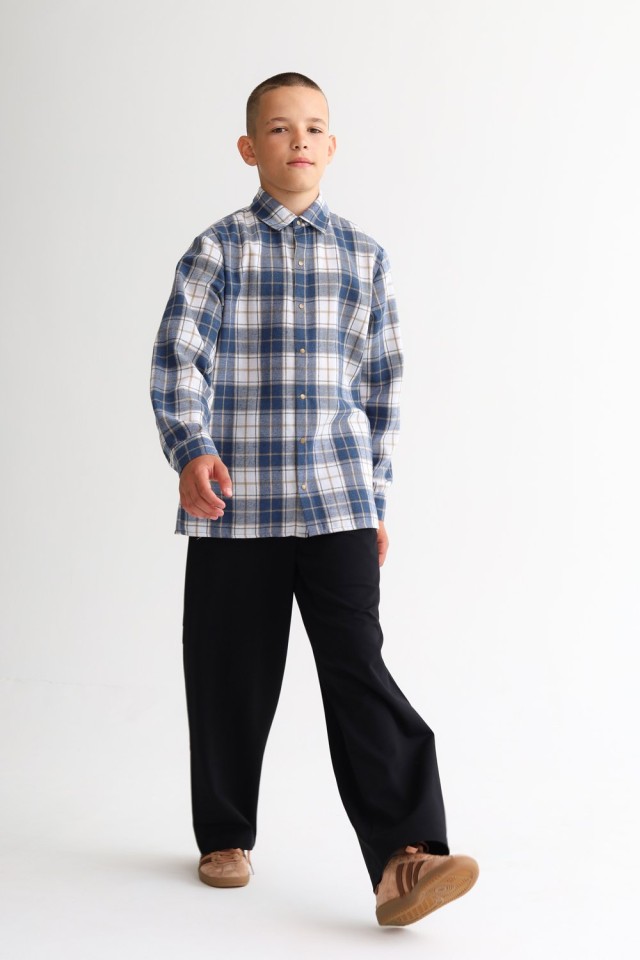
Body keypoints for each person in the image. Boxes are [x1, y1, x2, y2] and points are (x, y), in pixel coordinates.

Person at [150, 71, 478, 927]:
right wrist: (191, 449)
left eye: (314, 127)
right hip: (235, 506)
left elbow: (382, 387)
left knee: (359, 668)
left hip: (338, 504)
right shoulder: (218, 250)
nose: (298, 138)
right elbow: (178, 357)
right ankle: (225, 834)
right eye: (279, 127)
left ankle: (406, 858)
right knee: (228, 670)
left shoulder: (365, 257)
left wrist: (376, 498)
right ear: (248, 148)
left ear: (332, 147)